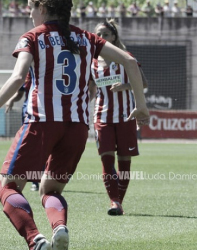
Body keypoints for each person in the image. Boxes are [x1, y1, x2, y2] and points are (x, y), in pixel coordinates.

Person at [0, 0, 149, 249]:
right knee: (51, 190)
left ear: (42, 8)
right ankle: (59, 228)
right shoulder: (86, 38)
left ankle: (36, 240)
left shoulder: (33, 37)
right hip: (77, 128)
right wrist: (141, 105)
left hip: (42, 123)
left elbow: (18, 77)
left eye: (31, 7)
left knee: (7, 187)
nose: (29, 13)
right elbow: (128, 60)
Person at [89, 19, 148, 216]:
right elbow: (89, 90)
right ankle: (114, 201)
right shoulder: (92, 62)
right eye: (99, 34)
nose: (102, 38)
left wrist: (126, 86)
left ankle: (119, 202)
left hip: (126, 116)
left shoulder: (126, 58)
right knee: (106, 161)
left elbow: (144, 83)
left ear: (113, 36)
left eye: (106, 34)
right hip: (102, 116)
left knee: (124, 162)